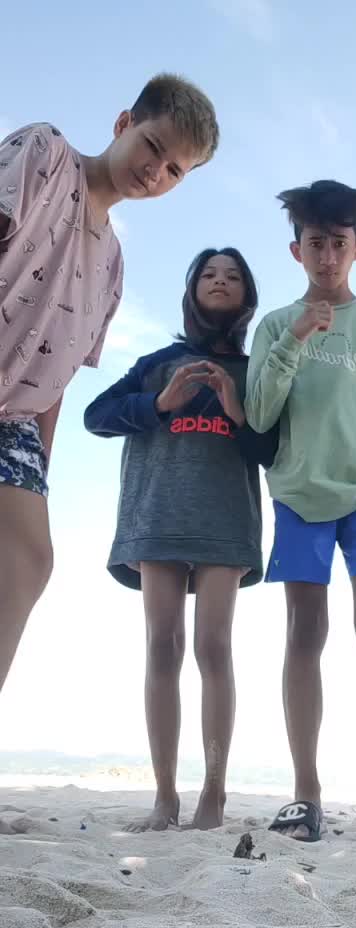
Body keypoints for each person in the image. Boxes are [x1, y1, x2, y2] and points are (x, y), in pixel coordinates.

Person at [0, 72, 219, 835]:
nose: (154, 172)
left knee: (28, 560)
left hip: (16, 420)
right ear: (125, 122)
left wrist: (41, 468)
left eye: (174, 170)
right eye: (152, 147)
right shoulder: (45, 152)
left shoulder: (116, 264)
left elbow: (58, 376)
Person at [245, 180, 356, 853]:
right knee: (304, 631)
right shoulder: (275, 324)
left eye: (339, 243)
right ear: (297, 250)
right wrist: (296, 337)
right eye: (316, 243)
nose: (328, 256)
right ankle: (306, 792)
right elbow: (259, 413)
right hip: (299, 495)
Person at [84, 249, 277, 832]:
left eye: (233, 276)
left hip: (225, 520)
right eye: (209, 275)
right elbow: (95, 416)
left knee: (214, 648)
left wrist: (236, 411)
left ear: (247, 296)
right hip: (157, 515)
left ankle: (212, 796)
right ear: (192, 291)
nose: (220, 282)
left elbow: (273, 452)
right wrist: (160, 403)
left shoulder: (255, 371)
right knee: (162, 648)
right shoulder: (156, 363)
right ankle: (165, 796)